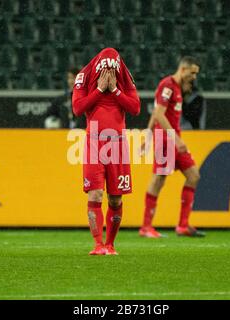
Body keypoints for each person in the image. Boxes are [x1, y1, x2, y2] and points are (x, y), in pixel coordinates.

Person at [72, 48, 140, 255]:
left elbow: (135, 108)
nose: (109, 72)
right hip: (94, 142)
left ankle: (110, 245)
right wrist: (100, 90)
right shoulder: (84, 76)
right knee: (95, 192)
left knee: (115, 198)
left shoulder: (124, 78)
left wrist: (116, 90)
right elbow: (77, 108)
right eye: (106, 68)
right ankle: (97, 244)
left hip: (117, 144)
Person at [139, 56, 205, 238]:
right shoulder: (167, 85)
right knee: (158, 179)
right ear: (183, 69)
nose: (194, 77)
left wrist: (148, 132)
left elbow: (156, 111)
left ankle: (183, 226)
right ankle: (146, 227)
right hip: (167, 140)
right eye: (192, 73)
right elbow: (159, 114)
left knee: (193, 176)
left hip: (173, 139)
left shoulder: (176, 88)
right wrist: (170, 137)